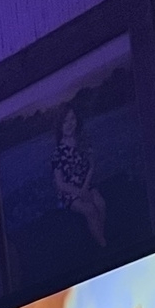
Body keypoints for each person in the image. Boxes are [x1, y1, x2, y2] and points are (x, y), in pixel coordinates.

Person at [51, 104, 107, 246]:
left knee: (100, 203)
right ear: (59, 125)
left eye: (72, 119)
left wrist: (85, 188)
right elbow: (60, 184)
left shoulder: (83, 140)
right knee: (90, 210)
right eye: (65, 121)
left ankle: (100, 232)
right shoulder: (58, 153)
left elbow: (91, 165)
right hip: (69, 191)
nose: (69, 124)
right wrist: (80, 192)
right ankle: (102, 243)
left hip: (86, 183)